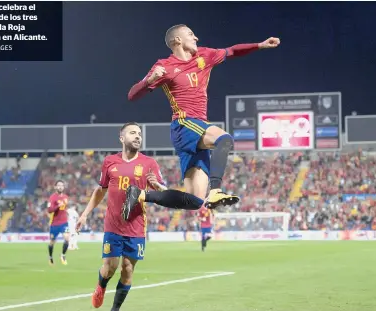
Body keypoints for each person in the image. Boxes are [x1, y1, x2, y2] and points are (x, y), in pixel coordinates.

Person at [128, 24, 280, 210]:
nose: (196, 38)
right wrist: (149, 81)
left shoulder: (204, 55)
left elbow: (232, 51)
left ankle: (142, 195)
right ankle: (216, 190)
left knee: (195, 200)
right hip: (184, 124)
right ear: (177, 40)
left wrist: (259, 45)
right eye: (191, 34)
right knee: (224, 140)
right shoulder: (164, 66)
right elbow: (132, 95)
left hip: (197, 129)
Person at [75, 122, 205, 310]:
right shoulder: (110, 161)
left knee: (127, 269)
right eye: (133, 133)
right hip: (113, 225)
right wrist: (85, 214)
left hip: (136, 227)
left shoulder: (149, 163)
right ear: (122, 138)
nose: (137, 136)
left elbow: (164, 192)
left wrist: (157, 185)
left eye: (139, 134)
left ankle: (115, 309)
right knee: (110, 267)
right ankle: (101, 286)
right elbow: (100, 190)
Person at [47, 180, 70, 265]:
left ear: (64, 187)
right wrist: (57, 206)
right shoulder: (52, 198)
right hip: (55, 224)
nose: (60, 187)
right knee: (52, 241)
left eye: (62, 185)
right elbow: (49, 210)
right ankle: (50, 257)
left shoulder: (66, 197)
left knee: (67, 239)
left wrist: (66, 211)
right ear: (55, 187)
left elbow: (64, 208)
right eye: (58, 185)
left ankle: (63, 255)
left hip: (64, 222)